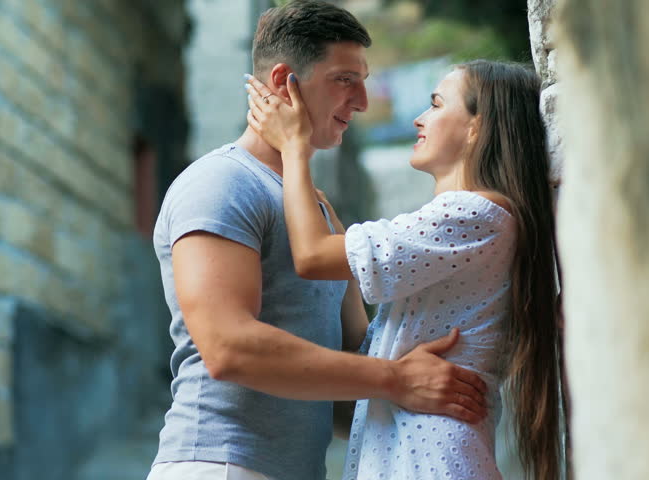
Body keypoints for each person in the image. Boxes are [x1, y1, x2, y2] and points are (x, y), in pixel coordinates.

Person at [147, 2, 490, 480]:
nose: (364, 101)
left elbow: (352, 352)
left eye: (364, 79)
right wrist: (394, 379)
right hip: (218, 465)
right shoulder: (221, 182)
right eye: (345, 79)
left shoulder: (317, 209)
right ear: (285, 81)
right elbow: (228, 347)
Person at [244, 59, 563, 479]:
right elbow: (367, 341)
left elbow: (312, 257)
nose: (418, 118)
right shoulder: (480, 220)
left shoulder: (474, 213)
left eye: (435, 104)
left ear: (476, 127)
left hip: (432, 459)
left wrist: (294, 148)